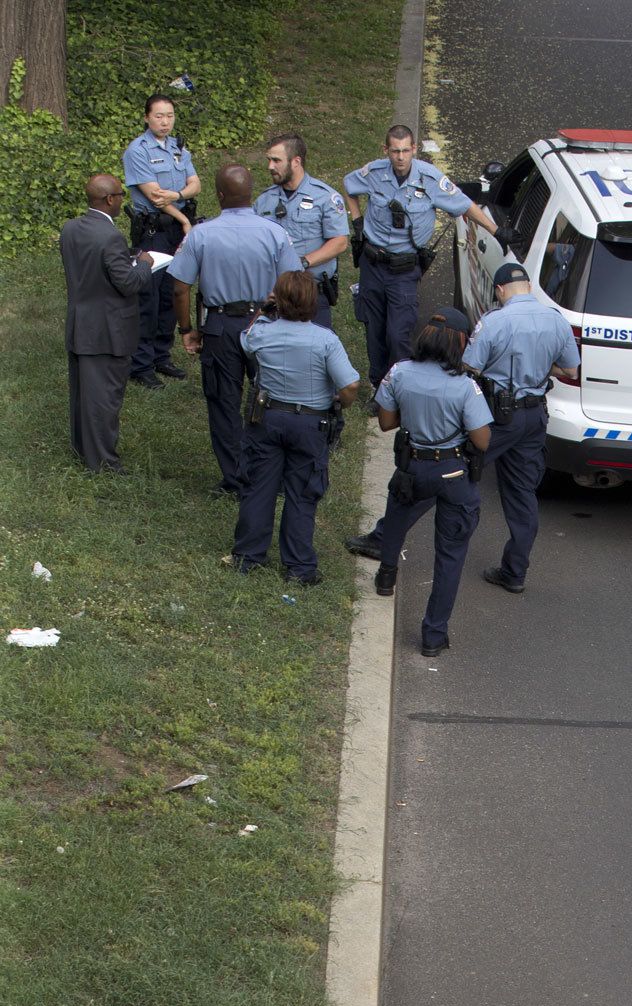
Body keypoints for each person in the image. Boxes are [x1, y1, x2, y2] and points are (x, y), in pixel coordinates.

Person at [168, 164, 302, 496]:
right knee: (272, 399)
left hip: (220, 326)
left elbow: (180, 288)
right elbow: (294, 282)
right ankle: (271, 472)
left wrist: (186, 329)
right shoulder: (274, 232)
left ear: (220, 195)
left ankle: (236, 479)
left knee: (224, 403)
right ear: (251, 193)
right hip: (266, 323)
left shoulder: (200, 234)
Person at [371, 308, 491, 657]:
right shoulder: (465, 386)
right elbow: (482, 440)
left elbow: (385, 421)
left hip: (412, 467)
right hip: (452, 472)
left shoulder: (399, 373)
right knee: (450, 556)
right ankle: (433, 636)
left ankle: (386, 575)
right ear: (460, 342)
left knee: (397, 514)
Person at [343, 125, 498, 391]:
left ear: (414, 149)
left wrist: (497, 231)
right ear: (386, 151)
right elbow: (348, 185)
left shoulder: (430, 179)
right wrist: (357, 222)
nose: (400, 157)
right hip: (372, 264)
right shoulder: (375, 173)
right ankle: (378, 385)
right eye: (395, 151)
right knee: (374, 330)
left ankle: (400, 388)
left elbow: (464, 205)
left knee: (398, 335)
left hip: (404, 270)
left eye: (405, 151)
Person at [230, 272, 360, 585]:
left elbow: (246, 341)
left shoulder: (262, 334)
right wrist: (338, 402)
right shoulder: (325, 339)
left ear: (279, 299)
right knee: (302, 494)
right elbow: (351, 384)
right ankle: (299, 567)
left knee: (259, 487)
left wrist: (264, 308)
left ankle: (247, 557)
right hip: (310, 421)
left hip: (268, 418)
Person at [463, 262, 579, 593]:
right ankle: (514, 572)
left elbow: (469, 367)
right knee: (522, 495)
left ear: (500, 291)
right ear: (528, 287)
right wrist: (543, 366)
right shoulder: (556, 320)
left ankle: (389, 536)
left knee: (454, 467)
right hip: (535, 417)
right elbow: (570, 369)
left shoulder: (494, 321)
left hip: (500, 415)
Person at [59, 174, 154, 474]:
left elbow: (93, 264)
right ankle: (103, 463)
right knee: (104, 399)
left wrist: (125, 258)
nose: (122, 201)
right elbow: (127, 284)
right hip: (106, 330)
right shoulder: (110, 236)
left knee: (83, 394)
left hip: (80, 324)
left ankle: (83, 450)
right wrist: (144, 264)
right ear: (110, 200)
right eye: (120, 196)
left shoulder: (71, 228)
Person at [121, 92, 199, 387]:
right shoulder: (137, 150)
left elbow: (196, 183)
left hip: (177, 230)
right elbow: (155, 197)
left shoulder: (178, 147)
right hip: (153, 231)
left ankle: (161, 356)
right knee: (148, 297)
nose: (165, 122)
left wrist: (178, 196)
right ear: (146, 118)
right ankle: (140, 365)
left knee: (171, 292)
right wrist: (184, 218)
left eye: (169, 116)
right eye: (158, 116)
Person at [254, 134, 348, 329]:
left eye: (276, 160)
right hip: (274, 294)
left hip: (310, 293)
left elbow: (339, 242)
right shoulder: (264, 200)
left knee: (314, 355)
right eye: (269, 160)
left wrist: (302, 262)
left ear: (296, 161)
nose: (270, 166)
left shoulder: (325, 197)